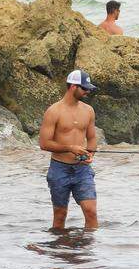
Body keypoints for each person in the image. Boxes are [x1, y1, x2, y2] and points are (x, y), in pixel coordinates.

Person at [38, 70, 99, 230]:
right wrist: (69, 148)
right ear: (73, 87)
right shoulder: (54, 111)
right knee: (60, 216)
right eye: (84, 88)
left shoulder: (89, 111)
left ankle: (87, 253)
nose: (87, 92)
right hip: (59, 169)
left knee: (91, 211)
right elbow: (44, 143)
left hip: (82, 170)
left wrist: (90, 154)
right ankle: (60, 252)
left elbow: (92, 138)